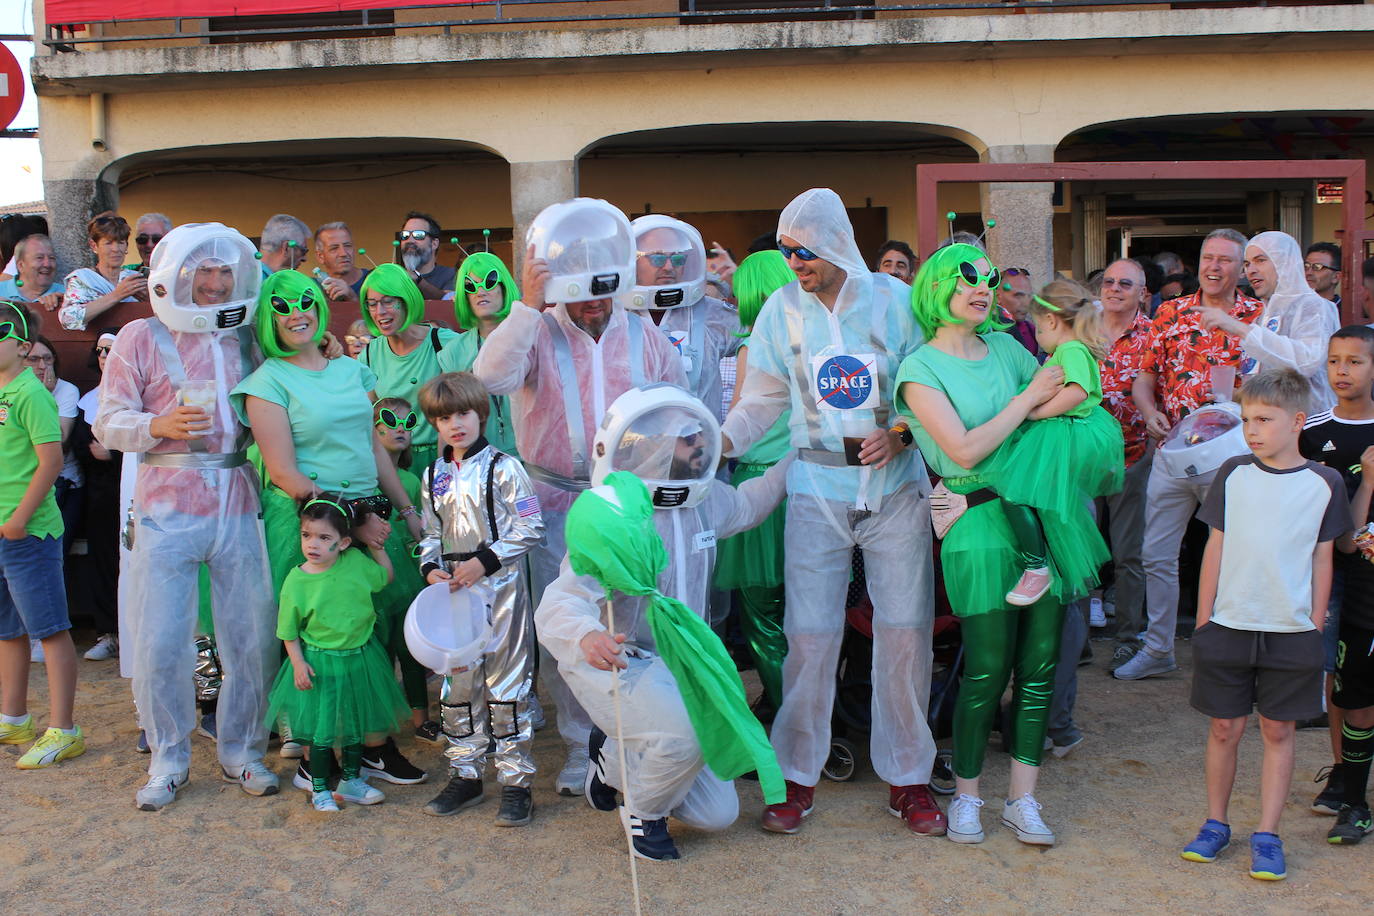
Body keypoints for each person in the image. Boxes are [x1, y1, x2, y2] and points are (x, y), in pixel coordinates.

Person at [721, 188, 941, 836]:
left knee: (904, 633)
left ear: (835, 242)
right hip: (816, 485)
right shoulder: (779, 314)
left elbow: (930, 384)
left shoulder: (897, 303)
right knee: (809, 639)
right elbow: (759, 401)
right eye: (787, 252)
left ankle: (909, 778)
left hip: (895, 487)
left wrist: (902, 432)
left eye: (804, 250)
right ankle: (796, 777)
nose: (795, 262)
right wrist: (717, 445)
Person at [472, 197, 685, 796]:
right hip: (556, 500)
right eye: (580, 289)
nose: (592, 302)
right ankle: (577, 743)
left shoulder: (641, 330)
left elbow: (675, 404)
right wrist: (524, 307)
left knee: (636, 620)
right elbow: (488, 380)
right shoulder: (536, 329)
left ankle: (632, 739)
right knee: (569, 622)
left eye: (601, 288)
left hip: (627, 503)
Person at [538, 385, 790, 859]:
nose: (701, 446)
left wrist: (800, 454)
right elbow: (558, 604)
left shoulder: (706, 499)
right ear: (651, 446)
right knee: (684, 735)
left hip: (682, 664)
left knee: (718, 815)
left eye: (701, 436)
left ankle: (611, 762)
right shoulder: (616, 519)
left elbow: (754, 502)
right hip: (619, 660)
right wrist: (587, 635)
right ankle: (644, 814)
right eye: (687, 439)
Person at [95, 222, 280, 809]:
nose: (216, 283)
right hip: (164, 505)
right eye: (204, 271)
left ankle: (242, 751)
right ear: (176, 275)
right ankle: (168, 757)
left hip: (236, 498)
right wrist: (157, 426)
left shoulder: (249, 337)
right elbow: (106, 421)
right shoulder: (138, 337)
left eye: (226, 271)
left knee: (249, 634)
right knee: (162, 639)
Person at [896, 244, 1073, 846]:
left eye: (991, 278)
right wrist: (1025, 403)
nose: (983, 287)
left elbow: (1064, 402)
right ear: (937, 287)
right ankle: (968, 797)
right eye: (967, 277)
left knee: (1040, 668)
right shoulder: (919, 369)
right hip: (974, 523)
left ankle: (1022, 800)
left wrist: (1045, 399)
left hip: (1041, 517)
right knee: (986, 670)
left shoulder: (1006, 346)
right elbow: (963, 451)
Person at [231, 269, 427, 788]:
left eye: (306, 301)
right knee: (321, 638)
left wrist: (406, 511)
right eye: (283, 305)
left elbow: (373, 451)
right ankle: (315, 757)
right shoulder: (266, 383)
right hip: (313, 525)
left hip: (368, 517)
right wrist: (349, 525)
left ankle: (375, 748)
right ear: (268, 316)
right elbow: (283, 472)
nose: (297, 311)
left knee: (367, 634)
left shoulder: (350, 372)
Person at [1179, 368, 1349, 881]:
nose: (1251, 429)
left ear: (1297, 421)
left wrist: (1315, 624)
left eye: (1263, 419)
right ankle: (1215, 823)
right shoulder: (1232, 472)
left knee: (1278, 729)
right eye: (1247, 418)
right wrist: (1205, 618)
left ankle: (1268, 833)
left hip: (1292, 629)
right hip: (1229, 624)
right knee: (1224, 727)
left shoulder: (1325, 482)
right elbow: (1216, 545)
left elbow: (1324, 559)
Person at [1118, 228, 1263, 680]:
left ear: (1241, 268)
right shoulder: (1171, 311)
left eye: (1225, 260)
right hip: (1174, 450)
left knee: (1240, 555)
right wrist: (1148, 410)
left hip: (1234, 454)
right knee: (1156, 553)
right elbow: (1145, 376)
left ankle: (1233, 655)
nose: (1214, 266)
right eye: (1208, 257)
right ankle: (1159, 648)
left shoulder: (1259, 315)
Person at [415, 372, 544, 824]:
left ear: (482, 414)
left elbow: (531, 526)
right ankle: (465, 773)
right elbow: (430, 532)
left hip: (501, 588)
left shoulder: (506, 467)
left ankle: (515, 781)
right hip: (453, 594)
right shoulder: (433, 474)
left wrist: (485, 561)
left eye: (463, 413)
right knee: (458, 683)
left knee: (507, 683)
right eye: (444, 417)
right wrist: (430, 566)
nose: (456, 424)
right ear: (434, 423)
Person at [263, 498, 408, 812]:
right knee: (323, 730)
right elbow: (288, 630)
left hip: (360, 658)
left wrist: (377, 545)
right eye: (306, 535)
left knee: (355, 723)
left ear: (343, 542)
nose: (312, 544)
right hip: (320, 664)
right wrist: (299, 663)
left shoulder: (355, 561)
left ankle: (351, 781)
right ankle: (318, 788)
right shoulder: (297, 580)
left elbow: (385, 578)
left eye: (323, 538)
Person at [985, 280, 1122, 608]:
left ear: (1049, 321)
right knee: (1039, 500)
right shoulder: (1069, 349)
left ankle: (1037, 566)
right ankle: (1047, 561)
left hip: (1061, 433)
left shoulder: (1070, 349)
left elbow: (1077, 391)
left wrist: (1034, 413)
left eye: (1037, 326)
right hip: (1061, 432)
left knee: (1014, 493)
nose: (1037, 335)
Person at [0, 301, 85, 769]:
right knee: (7, 630)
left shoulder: (32, 394)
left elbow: (50, 463)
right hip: (2, 528)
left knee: (49, 629)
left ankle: (64, 728)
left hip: (29, 532)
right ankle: (13, 716)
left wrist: (20, 518)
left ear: (23, 343)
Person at [713, 250, 796, 716]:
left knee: (765, 621)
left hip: (760, 492)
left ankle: (790, 725)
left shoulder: (752, 345)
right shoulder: (807, 342)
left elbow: (740, 423)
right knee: (805, 620)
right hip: (808, 484)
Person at [1298, 324, 1374, 828]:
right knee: (1336, 672)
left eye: (1355, 361)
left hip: (1368, 578)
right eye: (1334, 361)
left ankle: (1354, 786)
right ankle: (1344, 774)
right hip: (1330, 570)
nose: (1342, 371)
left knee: (1362, 680)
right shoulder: (1313, 431)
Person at [1200, 231, 1338, 415]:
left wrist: (1240, 329)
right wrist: (1239, 396)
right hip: (1270, 430)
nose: (1251, 270)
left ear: (1285, 262)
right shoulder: (1266, 312)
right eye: (1247, 263)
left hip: (1307, 430)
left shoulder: (1314, 306)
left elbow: (1306, 362)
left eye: (1260, 260)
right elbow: (1270, 375)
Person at [1096, 258, 1157, 670]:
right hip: (1081, 457)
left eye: (1125, 283)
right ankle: (1073, 639)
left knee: (1128, 553)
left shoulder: (1154, 336)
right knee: (1077, 548)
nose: (1114, 288)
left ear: (1142, 293)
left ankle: (1129, 636)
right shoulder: (1083, 327)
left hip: (1133, 456)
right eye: (1108, 281)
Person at [629, 215, 741, 422]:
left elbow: (768, 335)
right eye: (657, 258)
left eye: (678, 259)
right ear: (632, 261)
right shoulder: (612, 317)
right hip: (634, 447)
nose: (669, 267)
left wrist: (741, 285)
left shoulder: (710, 313)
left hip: (699, 447)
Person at [370, 396, 434, 741]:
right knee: (378, 648)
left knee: (409, 647)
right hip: (375, 574)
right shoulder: (365, 476)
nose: (400, 429)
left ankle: (421, 719)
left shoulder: (411, 481)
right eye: (390, 420)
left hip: (408, 576)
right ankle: (379, 726)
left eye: (408, 424)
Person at [359, 263, 459, 472]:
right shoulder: (368, 354)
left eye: (388, 302)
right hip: (394, 463)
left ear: (406, 301)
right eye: (372, 303)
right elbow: (365, 418)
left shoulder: (444, 344)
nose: (380, 312)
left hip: (443, 458)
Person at [437, 252, 520, 456]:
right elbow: (448, 413)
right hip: (477, 459)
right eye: (470, 286)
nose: (480, 291)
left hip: (532, 458)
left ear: (503, 287)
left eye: (490, 281)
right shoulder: (454, 351)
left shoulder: (529, 336)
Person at [75, 331, 122, 660]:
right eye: (101, 350)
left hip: (132, 489)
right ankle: (109, 631)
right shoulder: (86, 402)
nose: (105, 355)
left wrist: (113, 455)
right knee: (104, 561)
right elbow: (80, 448)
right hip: (100, 496)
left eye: (112, 349)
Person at [59, 213, 148, 332]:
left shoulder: (135, 278)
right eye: (108, 243)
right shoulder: (83, 279)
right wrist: (117, 295)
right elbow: (68, 320)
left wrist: (148, 299)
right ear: (94, 245)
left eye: (121, 242)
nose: (116, 249)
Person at [397, 212, 456, 299]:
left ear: (434, 244)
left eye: (418, 235)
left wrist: (417, 280)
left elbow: (447, 300)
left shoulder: (451, 274)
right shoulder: (395, 275)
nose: (410, 240)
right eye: (405, 235)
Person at [0, 234, 61, 312]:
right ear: (21, 265)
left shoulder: (67, 294)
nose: (47, 264)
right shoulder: (2, 291)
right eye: (39, 258)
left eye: (52, 258)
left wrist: (62, 303)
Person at [314, 222, 368, 302]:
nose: (343, 253)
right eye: (334, 248)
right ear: (320, 256)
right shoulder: (313, 289)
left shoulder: (372, 280)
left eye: (347, 246)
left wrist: (352, 298)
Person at [1000, 267, 1039, 358]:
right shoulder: (986, 332)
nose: (1027, 303)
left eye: (1029, 296)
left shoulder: (1031, 330)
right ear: (998, 296)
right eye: (1018, 295)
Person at [1305, 242, 1342, 307]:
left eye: (1317, 267)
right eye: (1306, 266)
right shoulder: (1294, 309)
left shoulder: (1345, 313)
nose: (1308, 273)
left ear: (1336, 277)